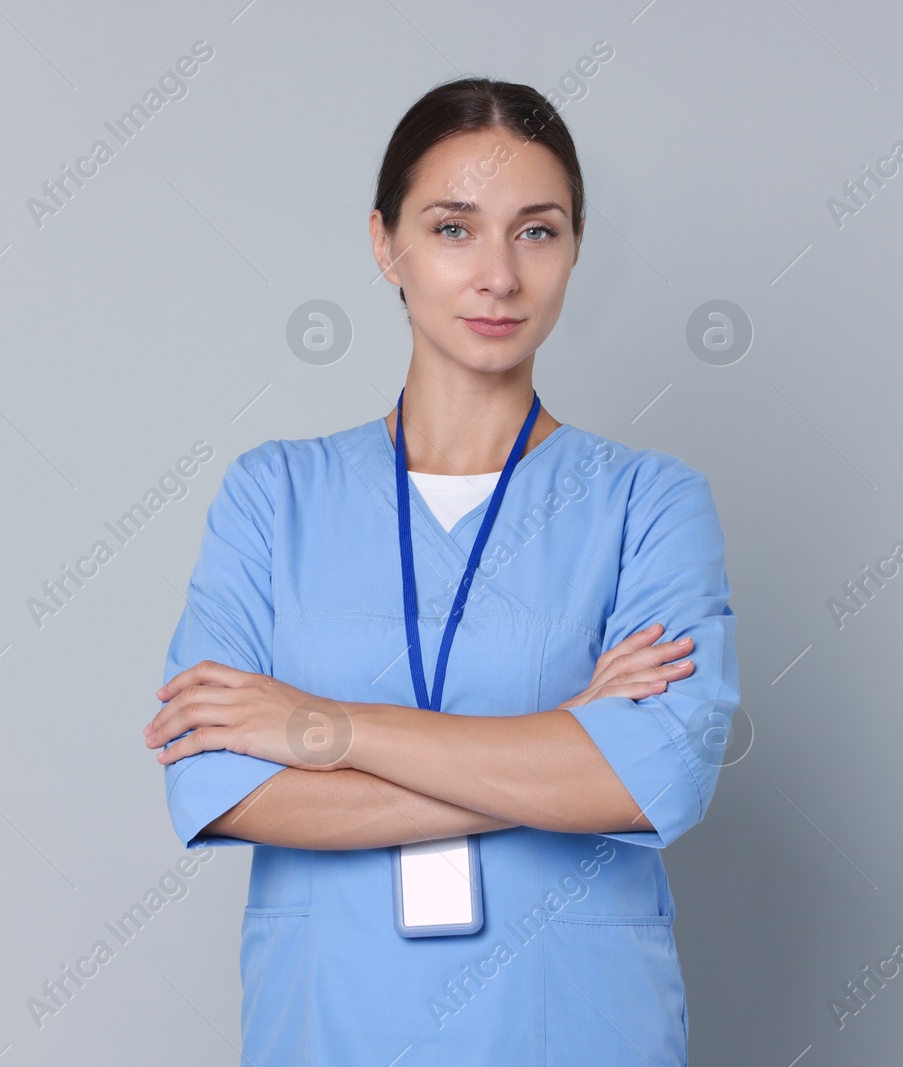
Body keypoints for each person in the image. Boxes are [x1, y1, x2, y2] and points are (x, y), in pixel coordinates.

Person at [142, 77, 740, 1065]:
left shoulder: (649, 501)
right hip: (332, 1022)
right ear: (386, 244)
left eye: (536, 231)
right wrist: (562, 749)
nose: (497, 275)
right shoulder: (273, 494)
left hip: (576, 1026)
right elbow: (215, 783)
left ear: (576, 247)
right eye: (454, 228)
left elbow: (655, 778)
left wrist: (323, 728)